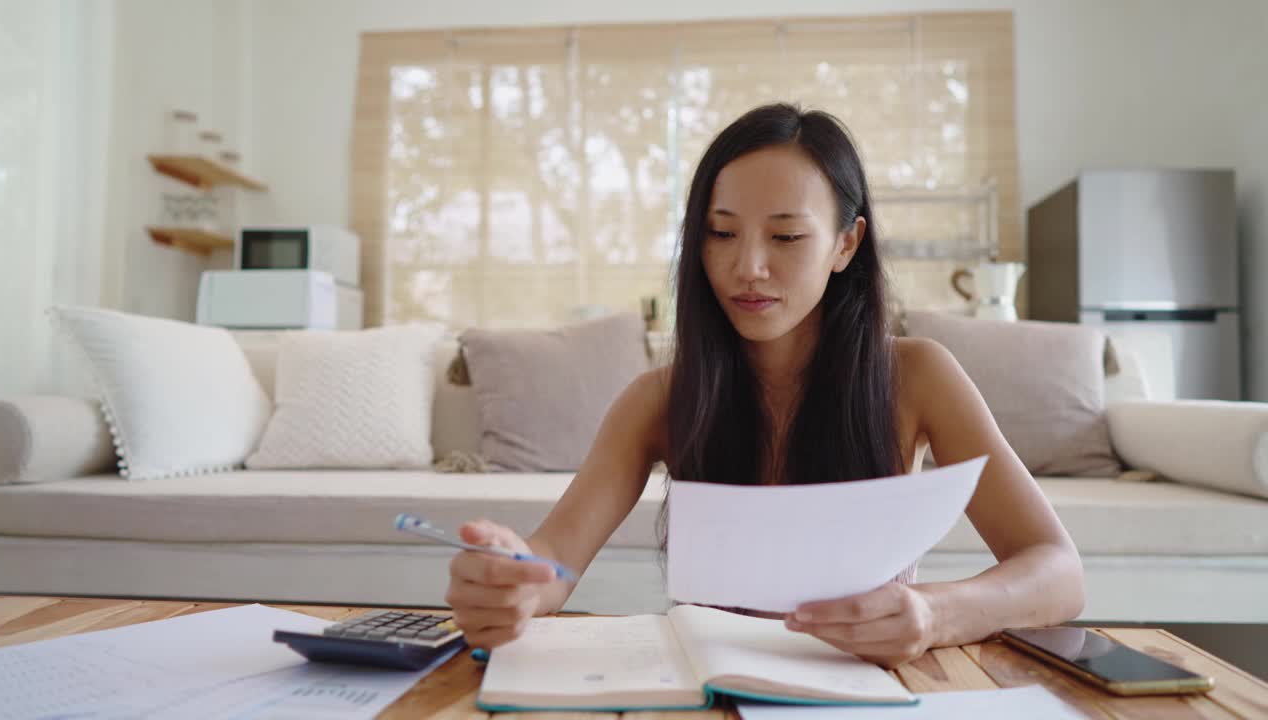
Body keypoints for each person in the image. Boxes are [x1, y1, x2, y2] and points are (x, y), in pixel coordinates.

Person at [444, 103, 1084, 668]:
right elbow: (555, 560)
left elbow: (1057, 571)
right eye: (721, 233)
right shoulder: (657, 399)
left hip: (865, 695)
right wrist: (515, 580)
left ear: (845, 244)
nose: (747, 266)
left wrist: (934, 613)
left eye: (785, 236)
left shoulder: (917, 376)